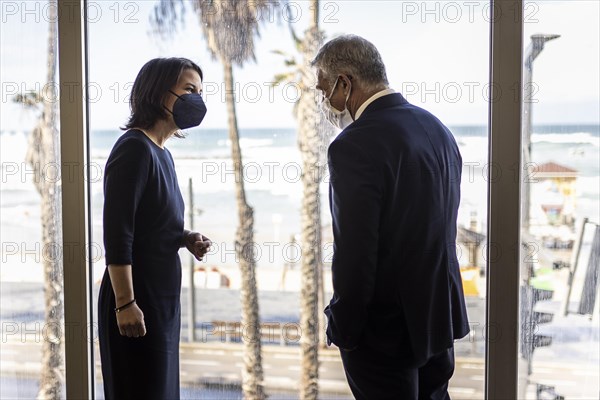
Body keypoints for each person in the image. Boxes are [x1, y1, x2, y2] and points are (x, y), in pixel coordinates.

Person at [313, 35, 470, 399]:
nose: (323, 102)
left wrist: (345, 326)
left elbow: (356, 250)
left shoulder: (353, 144)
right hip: (437, 316)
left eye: (324, 90)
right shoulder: (436, 128)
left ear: (345, 83)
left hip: (384, 329)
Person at [98, 57, 211, 400]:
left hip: (161, 302)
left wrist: (184, 237)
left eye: (201, 91)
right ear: (157, 92)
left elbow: (151, 221)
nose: (197, 99)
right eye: (189, 89)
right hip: (136, 300)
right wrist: (125, 303)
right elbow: (118, 234)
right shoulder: (133, 148)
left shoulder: (162, 152)